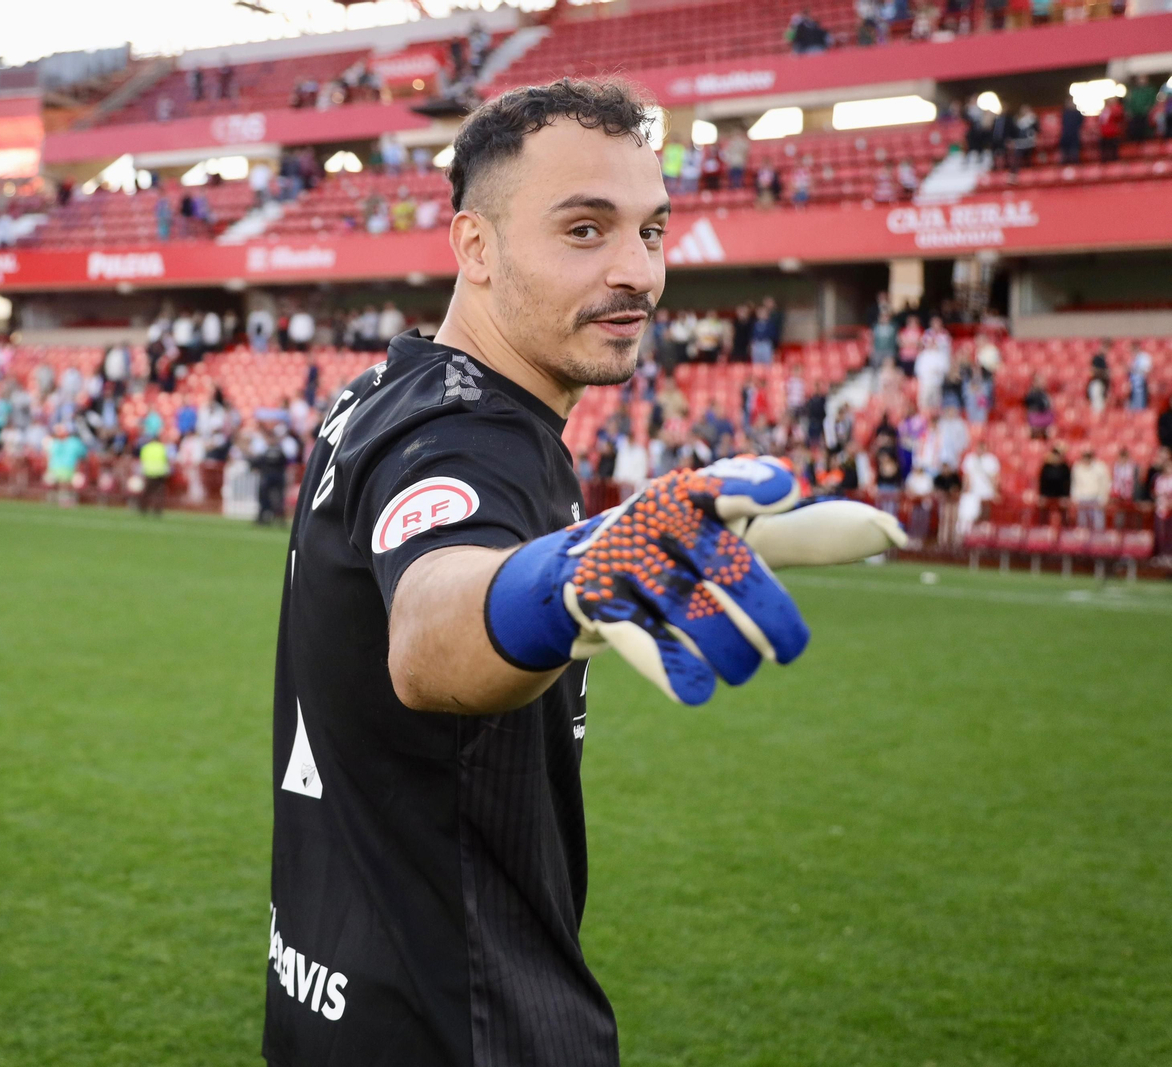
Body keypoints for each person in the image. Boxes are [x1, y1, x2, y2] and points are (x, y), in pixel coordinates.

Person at [262, 79, 902, 1067]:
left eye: (650, 232)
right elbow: (433, 632)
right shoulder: (467, 434)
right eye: (584, 230)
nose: (637, 271)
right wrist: (563, 577)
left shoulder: (382, 393)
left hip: (337, 991)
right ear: (474, 248)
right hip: (461, 1021)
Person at [957, 438, 1000, 536]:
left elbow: (995, 477)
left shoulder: (991, 460)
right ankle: (967, 533)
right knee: (968, 510)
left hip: (987, 491)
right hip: (972, 491)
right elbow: (966, 477)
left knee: (985, 511)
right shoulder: (970, 459)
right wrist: (966, 490)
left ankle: (983, 531)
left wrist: (995, 491)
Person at [1071, 447, 1110, 530]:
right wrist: (1075, 497)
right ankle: (1082, 541)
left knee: (1098, 524)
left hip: (1096, 498)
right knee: (1082, 524)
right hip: (1082, 498)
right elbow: (1075, 483)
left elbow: (1105, 483)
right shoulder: (1077, 467)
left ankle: (1099, 540)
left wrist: (1104, 497)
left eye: (1088, 456)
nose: (1086, 458)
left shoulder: (1100, 467)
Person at [138, 431, 170, 516]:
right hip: (160, 472)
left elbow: (142, 460)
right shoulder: (162, 448)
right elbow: (166, 460)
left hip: (149, 472)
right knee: (159, 493)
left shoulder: (146, 448)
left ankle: (143, 509)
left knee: (147, 492)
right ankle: (157, 510)